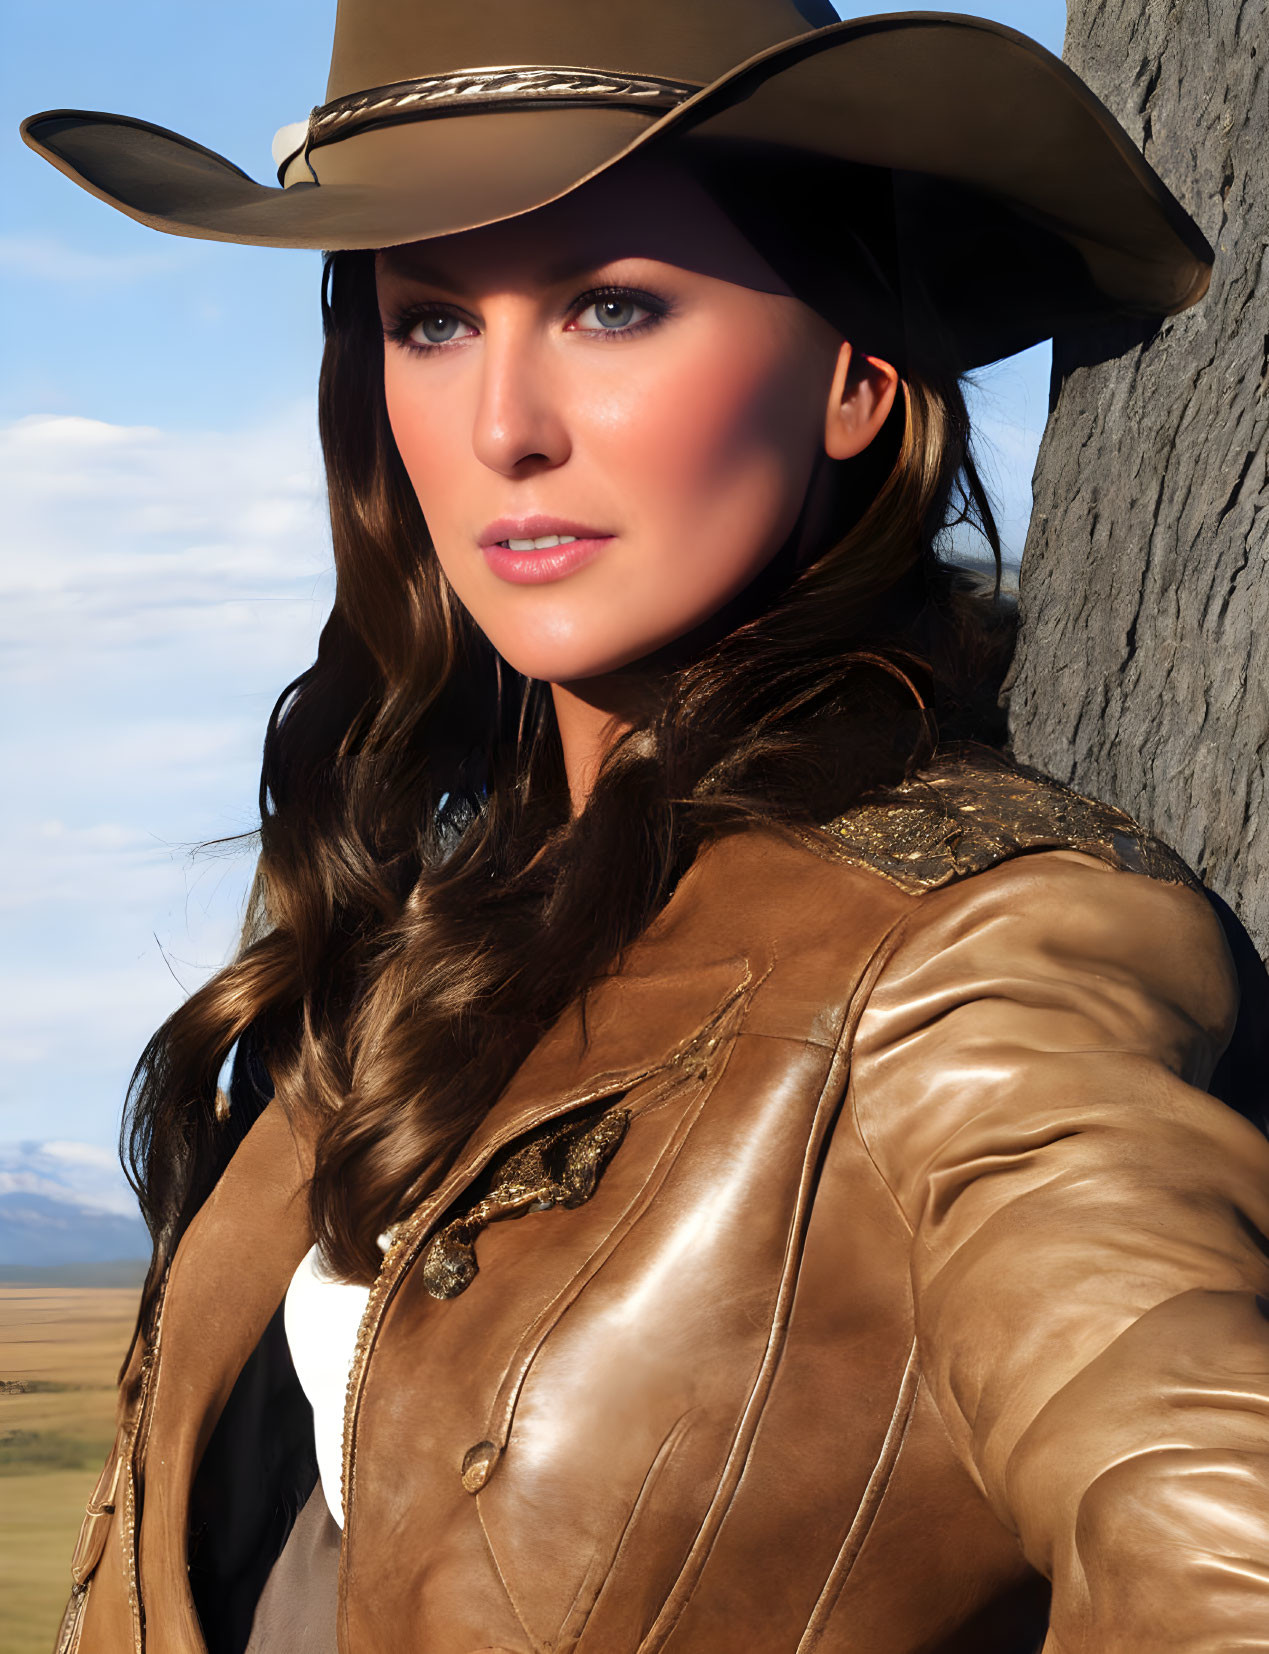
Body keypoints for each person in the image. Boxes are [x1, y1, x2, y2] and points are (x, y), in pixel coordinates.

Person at [22, 2, 1269, 1651]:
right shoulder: (431, 932)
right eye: (434, 322)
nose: (502, 428)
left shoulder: (982, 954)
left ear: (852, 380)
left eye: (614, 307)